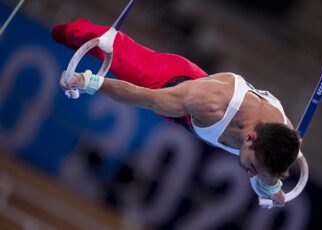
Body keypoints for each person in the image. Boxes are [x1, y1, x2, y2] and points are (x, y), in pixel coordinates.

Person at [53, 18, 301, 208]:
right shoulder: (210, 104)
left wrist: (272, 190)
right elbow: (144, 98)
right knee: (100, 42)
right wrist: (89, 82)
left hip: (192, 106)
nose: (250, 173)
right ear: (250, 137)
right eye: (252, 167)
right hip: (166, 81)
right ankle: (65, 30)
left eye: (257, 171)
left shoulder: (282, 141)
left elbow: (267, 176)